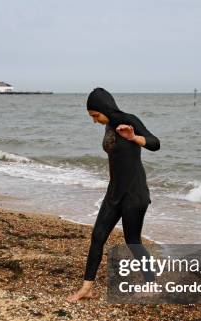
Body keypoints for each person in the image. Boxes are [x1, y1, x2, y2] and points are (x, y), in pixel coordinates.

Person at [68, 88, 161, 302]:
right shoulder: (109, 124)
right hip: (114, 192)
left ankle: (151, 284)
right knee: (97, 237)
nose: (95, 121)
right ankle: (86, 289)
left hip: (134, 193)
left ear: (104, 109)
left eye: (96, 115)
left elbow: (155, 143)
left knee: (133, 240)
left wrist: (134, 136)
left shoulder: (129, 120)